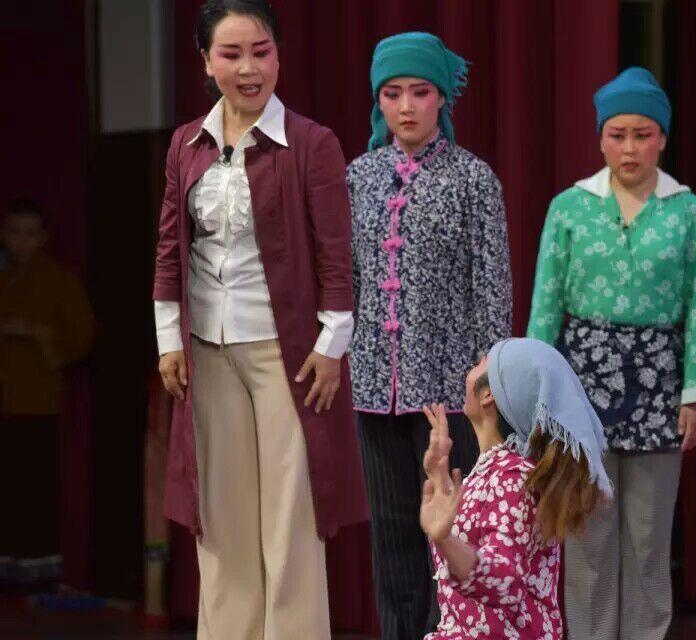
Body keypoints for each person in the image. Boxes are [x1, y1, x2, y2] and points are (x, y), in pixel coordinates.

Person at [151, 1, 366, 637]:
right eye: (232, 54)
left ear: (278, 55)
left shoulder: (311, 143)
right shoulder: (185, 143)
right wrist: (168, 340)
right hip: (206, 349)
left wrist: (332, 345)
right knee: (220, 520)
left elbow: (336, 255)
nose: (249, 68)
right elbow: (170, 249)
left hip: (289, 353)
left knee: (291, 519)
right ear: (206, 62)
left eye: (261, 52)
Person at [527, 67, 696, 639]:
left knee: (649, 540)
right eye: (618, 134)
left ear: (662, 138)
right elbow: (546, 304)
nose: (630, 147)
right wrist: (536, 394)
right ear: (600, 138)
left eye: (642, 134)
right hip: (582, 384)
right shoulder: (570, 207)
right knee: (587, 536)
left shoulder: (690, 213)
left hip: (660, 383)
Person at [347, 31, 513, 640]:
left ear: (442, 97)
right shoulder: (359, 177)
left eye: (420, 92)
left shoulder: (473, 179)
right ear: (378, 101)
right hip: (374, 389)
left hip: (450, 392)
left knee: (452, 532)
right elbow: (347, 280)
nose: (407, 106)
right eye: (392, 94)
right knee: (391, 534)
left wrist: (487, 380)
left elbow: (493, 286)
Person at [419, 337, 612, 640]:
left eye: (483, 362)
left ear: (488, 395)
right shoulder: (495, 472)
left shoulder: (511, 478)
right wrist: (439, 478)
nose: (475, 362)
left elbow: (504, 580)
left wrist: (444, 539)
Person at [0, 197, 94, 591]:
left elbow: (83, 339)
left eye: (29, 234)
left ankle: (37, 576)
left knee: (33, 492)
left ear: (42, 238)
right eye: (14, 233)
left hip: (37, 403)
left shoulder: (58, 281)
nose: (21, 241)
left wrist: (38, 335)